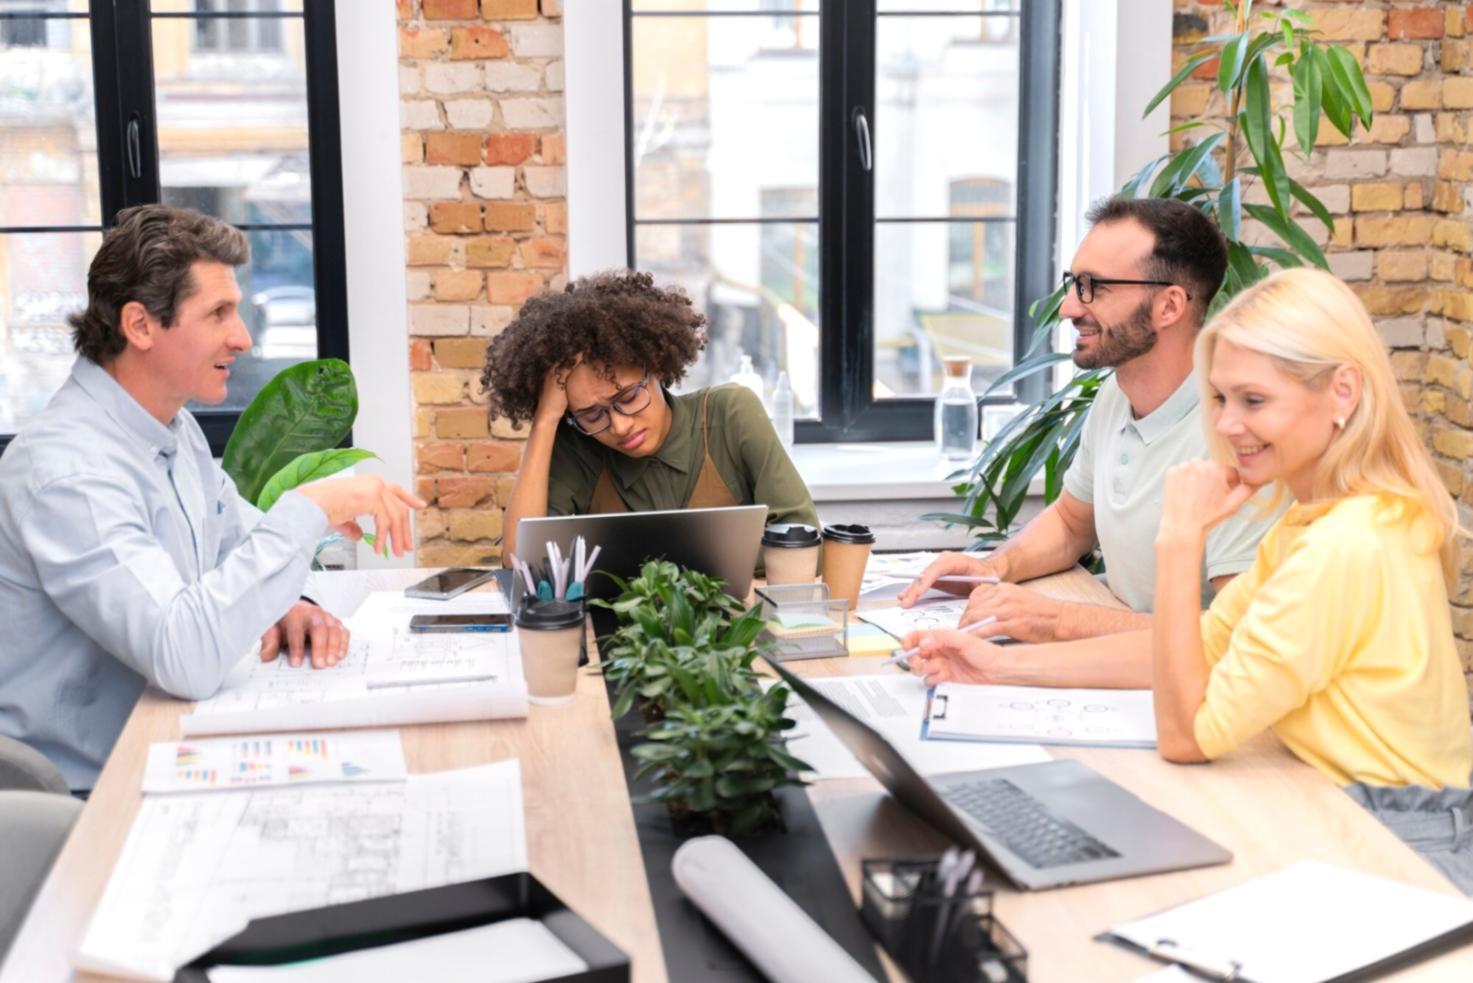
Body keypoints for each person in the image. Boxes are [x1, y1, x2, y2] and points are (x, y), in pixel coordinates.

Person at [911, 268, 1473, 889]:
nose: (1228, 426)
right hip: (1339, 803)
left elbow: (1188, 734)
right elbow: (1203, 648)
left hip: (1402, 843)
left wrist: (1181, 538)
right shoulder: (1323, 518)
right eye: (1220, 398)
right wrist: (997, 668)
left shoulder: (1349, 541)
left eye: (1253, 400)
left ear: (1342, 393)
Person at [0, 205, 424, 790]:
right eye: (219, 313)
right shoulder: (69, 472)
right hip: (86, 797)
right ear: (140, 325)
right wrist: (315, 508)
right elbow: (184, 656)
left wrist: (290, 600)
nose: (243, 337)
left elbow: (239, 544)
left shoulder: (173, 430)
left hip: (168, 742)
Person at [899, 197, 1280, 642]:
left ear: (1169, 306)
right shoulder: (1115, 394)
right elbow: (1071, 523)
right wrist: (992, 567)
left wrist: (1057, 621)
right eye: (1074, 283)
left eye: (1093, 286)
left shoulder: (1239, 436)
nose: (1068, 308)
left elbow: (1238, 640)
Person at [482, 269, 818, 556]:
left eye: (627, 397)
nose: (619, 425)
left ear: (655, 366)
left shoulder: (731, 414)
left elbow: (804, 543)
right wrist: (546, 420)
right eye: (592, 415)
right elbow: (519, 562)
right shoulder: (579, 448)